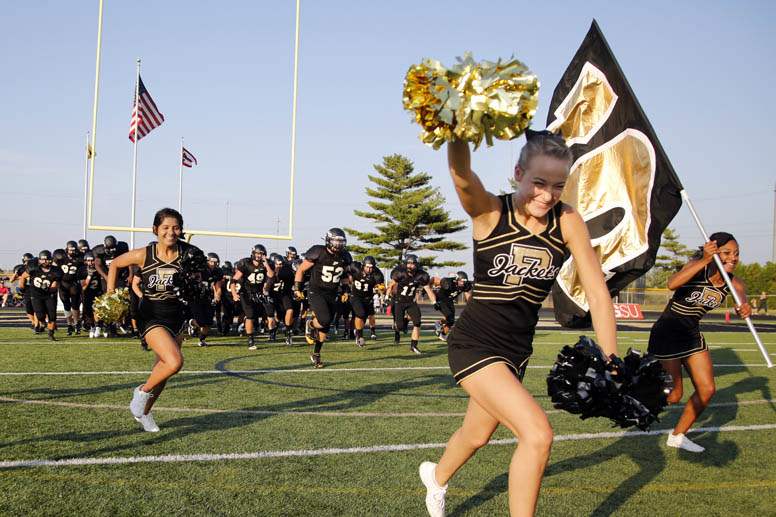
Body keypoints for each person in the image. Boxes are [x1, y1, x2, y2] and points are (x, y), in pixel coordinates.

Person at [419, 132, 618, 517]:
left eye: (558, 185)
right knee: (538, 434)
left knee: (477, 435)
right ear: (518, 173)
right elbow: (461, 173)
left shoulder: (568, 221)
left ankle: (436, 477)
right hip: (474, 343)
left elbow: (597, 292)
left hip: (516, 351)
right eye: (539, 183)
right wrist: (460, 126)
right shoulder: (491, 211)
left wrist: (610, 357)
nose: (547, 195)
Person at [648, 232, 751, 453]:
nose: (733, 258)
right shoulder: (699, 265)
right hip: (668, 331)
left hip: (692, 334)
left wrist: (744, 307)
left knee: (707, 389)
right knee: (674, 395)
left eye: (736, 254)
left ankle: (677, 436)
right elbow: (672, 284)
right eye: (727, 253)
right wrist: (705, 259)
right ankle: (635, 394)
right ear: (713, 251)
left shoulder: (735, 282)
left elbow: (743, 300)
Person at [107, 207, 200, 433]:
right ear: (155, 229)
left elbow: (198, 282)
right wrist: (110, 293)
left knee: (165, 369)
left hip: (177, 314)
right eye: (166, 227)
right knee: (175, 361)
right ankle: (140, 393)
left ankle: (145, 412)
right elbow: (114, 264)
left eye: (176, 227)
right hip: (151, 313)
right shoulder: (144, 254)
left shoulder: (188, 254)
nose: (171, 232)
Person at [294, 228, 352, 368]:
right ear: (328, 240)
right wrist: (297, 288)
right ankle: (310, 324)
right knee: (324, 319)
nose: (338, 244)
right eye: (336, 241)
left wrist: (345, 290)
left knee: (325, 326)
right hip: (316, 291)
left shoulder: (345, 256)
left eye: (341, 241)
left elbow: (344, 276)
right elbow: (301, 269)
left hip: (332, 293)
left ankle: (316, 354)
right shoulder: (318, 251)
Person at [388, 254, 436, 354]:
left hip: (411, 302)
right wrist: (386, 296)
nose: (410, 266)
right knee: (400, 327)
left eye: (413, 264)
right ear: (405, 264)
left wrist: (434, 302)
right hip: (399, 301)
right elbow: (391, 284)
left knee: (417, 322)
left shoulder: (421, 275)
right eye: (409, 263)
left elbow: (428, 289)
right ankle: (402, 323)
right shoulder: (400, 273)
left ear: (417, 265)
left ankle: (413, 346)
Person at [231, 245, 274, 350]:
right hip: (246, 293)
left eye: (261, 254)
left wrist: (266, 264)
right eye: (258, 253)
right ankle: (251, 340)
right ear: (253, 253)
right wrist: (234, 293)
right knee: (250, 315)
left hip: (259, 293)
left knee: (267, 312)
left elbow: (271, 275)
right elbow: (234, 280)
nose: (259, 256)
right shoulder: (246, 263)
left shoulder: (266, 264)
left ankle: (271, 331)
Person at [19, 250, 62, 341]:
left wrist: (48, 288)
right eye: (43, 259)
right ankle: (43, 323)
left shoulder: (56, 270)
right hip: (36, 295)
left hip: (50, 295)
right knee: (40, 316)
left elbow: (55, 285)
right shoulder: (34, 268)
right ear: (39, 260)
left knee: (52, 315)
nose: (45, 261)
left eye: (47, 259)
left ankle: (51, 334)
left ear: (50, 260)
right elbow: (23, 276)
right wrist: (22, 287)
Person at [347, 256, 385, 346]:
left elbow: (381, 287)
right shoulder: (355, 267)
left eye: (371, 267)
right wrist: (349, 277)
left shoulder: (377, 274)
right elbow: (346, 269)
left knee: (363, 318)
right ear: (363, 265)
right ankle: (359, 337)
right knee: (360, 314)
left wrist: (381, 288)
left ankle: (358, 332)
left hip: (368, 298)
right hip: (355, 296)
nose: (369, 269)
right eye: (367, 267)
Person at [432, 271, 473, 341]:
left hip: (449, 300)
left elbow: (468, 296)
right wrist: (427, 288)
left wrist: (471, 306)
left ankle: (442, 332)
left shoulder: (466, 285)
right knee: (449, 316)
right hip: (441, 299)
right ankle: (439, 326)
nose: (462, 283)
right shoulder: (447, 282)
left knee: (451, 321)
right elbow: (434, 280)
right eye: (461, 281)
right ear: (456, 279)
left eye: (464, 281)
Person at [58, 241, 86, 335]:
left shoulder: (80, 258)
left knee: (75, 305)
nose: (72, 252)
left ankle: (77, 323)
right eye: (70, 250)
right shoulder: (60, 257)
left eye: (74, 250)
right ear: (67, 249)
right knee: (66, 305)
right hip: (63, 284)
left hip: (74, 283)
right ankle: (69, 324)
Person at [267, 253, 296, 345]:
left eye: (281, 264)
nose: (280, 266)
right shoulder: (268, 272)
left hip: (284, 294)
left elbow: (294, 282)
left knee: (290, 310)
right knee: (273, 316)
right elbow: (265, 286)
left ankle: (288, 332)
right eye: (278, 264)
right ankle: (272, 332)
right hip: (272, 295)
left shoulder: (287, 271)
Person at [11, 253, 36, 331]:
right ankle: (34, 322)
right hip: (26, 289)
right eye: (26, 261)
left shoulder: (35, 267)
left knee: (36, 307)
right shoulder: (21, 268)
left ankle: (37, 324)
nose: (27, 262)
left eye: (28, 261)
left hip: (35, 288)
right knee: (29, 308)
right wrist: (17, 275)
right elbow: (11, 280)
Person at [81, 252, 104, 338]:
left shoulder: (100, 269)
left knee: (98, 310)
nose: (90, 263)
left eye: (92, 260)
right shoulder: (82, 270)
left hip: (98, 292)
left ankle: (98, 326)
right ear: (85, 261)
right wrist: (89, 276)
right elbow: (83, 287)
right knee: (88, 311)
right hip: (87, 293)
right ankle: (92, 327)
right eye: (88, 261)